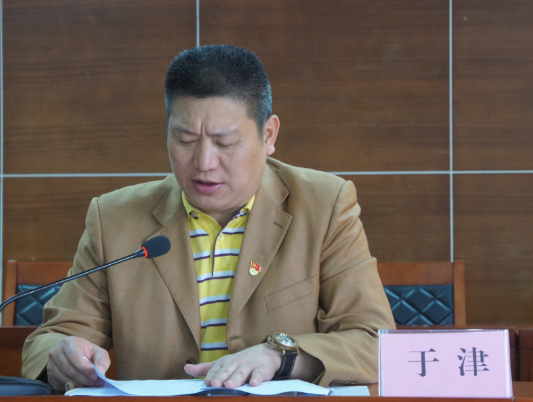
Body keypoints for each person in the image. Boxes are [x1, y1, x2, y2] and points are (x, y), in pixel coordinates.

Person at [21, 44, 395, 392]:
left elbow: (375, 344)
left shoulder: (324, 205)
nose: (203, 163)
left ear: (268, 135)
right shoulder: (115, 218)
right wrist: (64, 355)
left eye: (225, 142)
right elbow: (50, 339)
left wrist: (281, 357)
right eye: (185, 139)